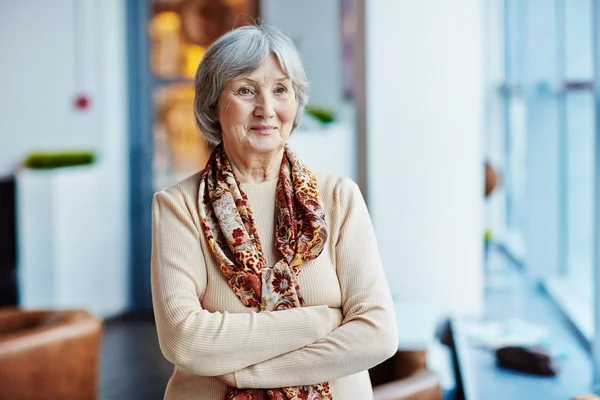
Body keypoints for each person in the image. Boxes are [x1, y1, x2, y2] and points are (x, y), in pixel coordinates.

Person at [151, 24, 398, 400]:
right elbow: (184, 341)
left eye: (281, 90)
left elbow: (378, 334)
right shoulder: (178, 206)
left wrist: (252, 373)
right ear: (214, 104)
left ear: (295, 102)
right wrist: (325, 319)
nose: (266, 108)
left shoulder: (339, 197)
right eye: (246, 90)